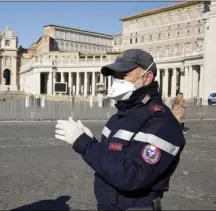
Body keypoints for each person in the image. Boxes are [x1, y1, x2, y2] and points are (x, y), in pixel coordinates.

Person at [54, 49, 186, 211]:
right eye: (116, 75)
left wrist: (84, 144)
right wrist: (93, 143)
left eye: (125, 75)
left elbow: (131, 177)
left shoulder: (161, 121)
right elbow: (112, 160)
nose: (117, 81)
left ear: (147, 77)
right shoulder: (122, 115)